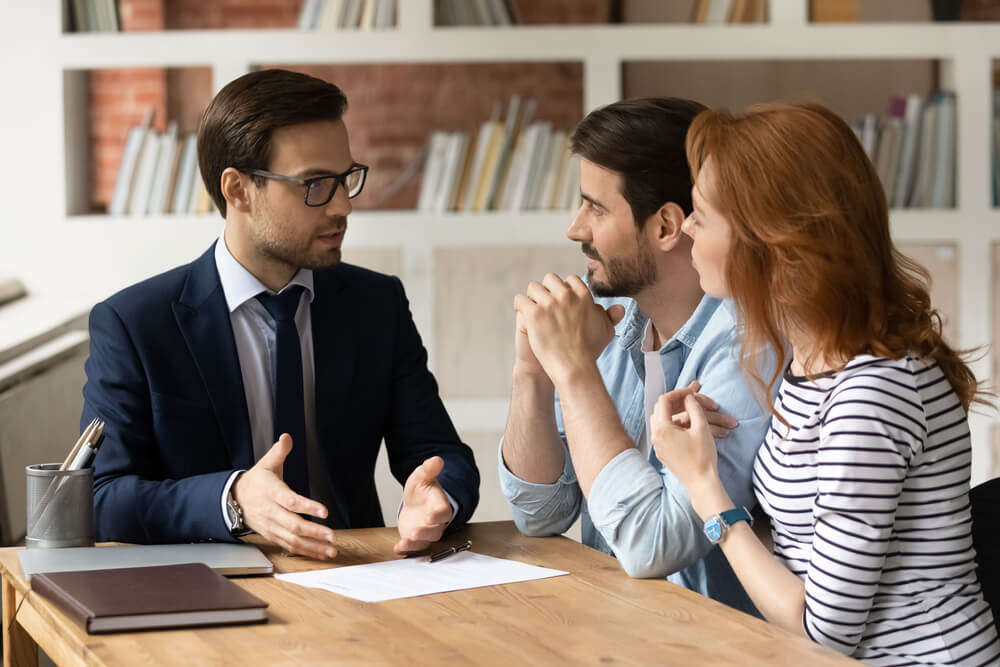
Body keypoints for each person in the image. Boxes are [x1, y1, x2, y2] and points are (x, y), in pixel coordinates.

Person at [650, 101, 1000, 665]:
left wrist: (702, 485)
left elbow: (823, 633)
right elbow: (800, 549)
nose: (686, 227)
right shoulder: (813, 363)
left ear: (774, 243)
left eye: (702, 214)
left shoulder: (872, 393)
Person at [82, 69, 479, 559]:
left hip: (358, 577)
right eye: (314, 184)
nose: (341, 207)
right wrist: (232, 500)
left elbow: (441, 453)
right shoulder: (135, 324)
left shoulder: (377, 305)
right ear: (237, 190)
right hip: (209, 589)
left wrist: (440, 498)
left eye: (345, 179)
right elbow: (101, 498)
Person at [499, 98, 773, 615]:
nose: (575, 229)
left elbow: (655, 546)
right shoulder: (609, 313)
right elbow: (541, 513)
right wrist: (533, 373)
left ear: (667, 226)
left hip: (714, 647)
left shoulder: (746, 345)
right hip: (614, 628)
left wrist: (575, 372)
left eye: (595, 208)